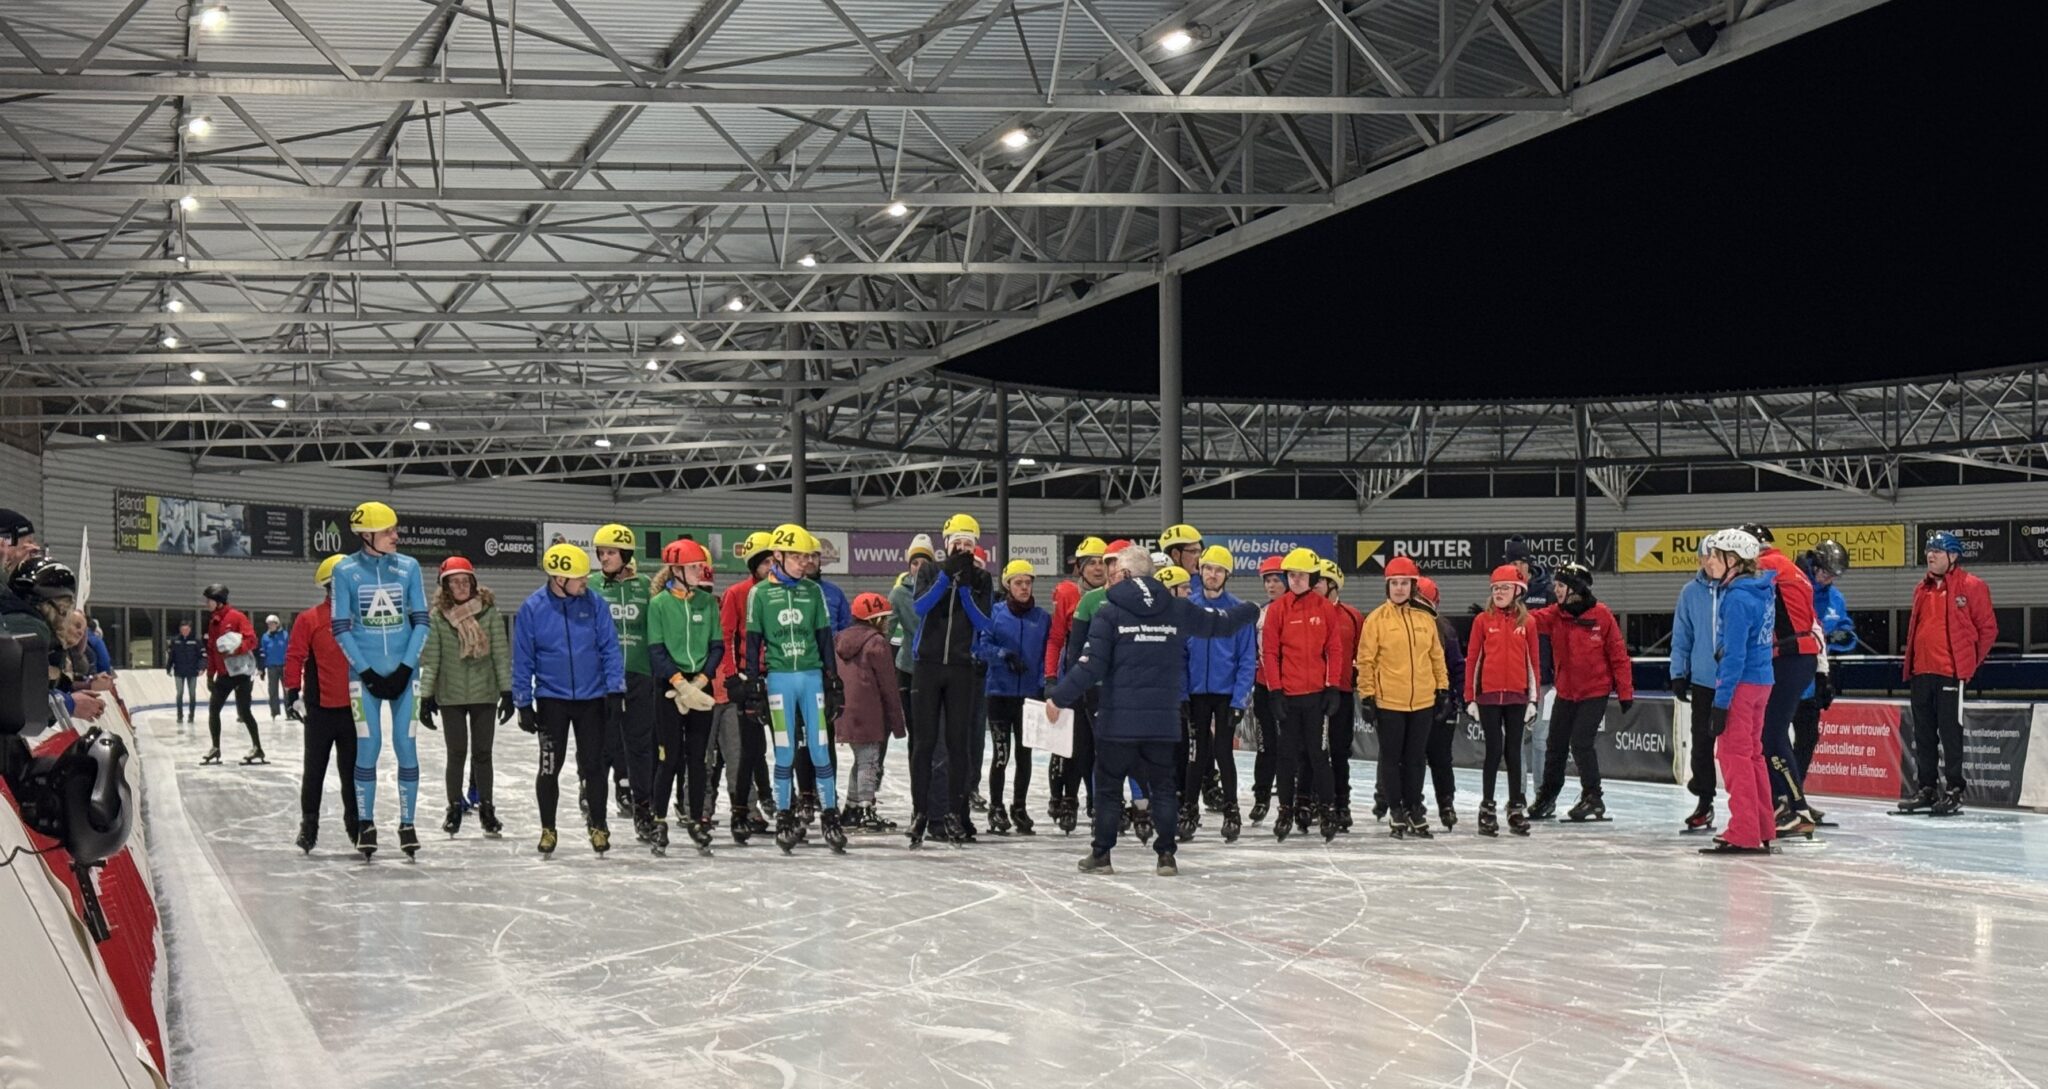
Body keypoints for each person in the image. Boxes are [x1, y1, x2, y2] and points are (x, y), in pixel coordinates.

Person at [1047, 549, 1257, 876]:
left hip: (1118, 720)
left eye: (1117, 571)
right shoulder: (1176, 608)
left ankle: (1102, 855)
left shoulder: (1110, 611)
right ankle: (1166, 857)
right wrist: (1252, 608)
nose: (1113, 576)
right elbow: (1222, 624)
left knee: (1108, 787)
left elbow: (1089, 666)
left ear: (1128, 576)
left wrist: (1058, 697)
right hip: (1162, 719)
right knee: (1163, 785)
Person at [329, 501, 431, 859]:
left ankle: (407, 823)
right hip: (364, 675)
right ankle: (366, 823)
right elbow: (340, 628)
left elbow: (422, 620)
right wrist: (367, 671)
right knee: (368, 749)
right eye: (389, 531)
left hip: (406, 674)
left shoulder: (409, 567)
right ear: (367, 535)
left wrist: (405, 668)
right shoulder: (345, 571)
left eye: (395, 529)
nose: (396, 535)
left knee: (406, 746)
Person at [513, 543, 627, 856]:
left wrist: (615, 691)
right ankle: (548, 828)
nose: (585, 582)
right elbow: (523, 658)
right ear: (559, 579)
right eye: (579, 578)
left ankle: (599, 825)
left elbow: (609, 649)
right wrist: (522, 702)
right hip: (553, 701)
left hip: (592, 699)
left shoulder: (595, 604)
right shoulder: (532, 608)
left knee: (594, 767)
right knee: (549, 768)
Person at [741, 524, 848, 854]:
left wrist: (832, 680)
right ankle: (784, 817)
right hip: (779, 680)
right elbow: (753, 642)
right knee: (785, 750)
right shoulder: (759, 593)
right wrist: (754, 684)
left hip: (811, 676)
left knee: (818, 748)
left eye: (808, 557)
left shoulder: (812, 592)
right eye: (798, 557)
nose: (805, 563)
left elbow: (823, 637)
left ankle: (830, 816)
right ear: (778, 555)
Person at [907, 513, 994, 846]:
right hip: (927, 666)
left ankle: (957, 814)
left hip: (960, 668)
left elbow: (984, 623)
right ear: (946, 545)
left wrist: (967, 587)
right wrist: (946, 578)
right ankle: (920, 812)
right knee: (925, 744)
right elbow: (920, 606)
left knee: (959, 745)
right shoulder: (930, 570)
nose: (962, 548)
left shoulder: (982, 579)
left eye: (968, 543)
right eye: (957, 542)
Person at [1897, 531, 1997, 816]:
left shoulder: (1972, 586)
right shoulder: (1921, 589)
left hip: (1951, 674)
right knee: (1924, 734)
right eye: (1929, 550)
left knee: (1950, 734)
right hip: (1921, 673)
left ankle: (1954, 789)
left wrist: (1969, 664)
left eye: (1938, 551)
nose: (1930, 555)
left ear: (1953, 556)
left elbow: (1988, 630)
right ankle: (1926, 788)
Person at [1528, 563, 1633, 822]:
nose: (1556, 590)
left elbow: (1618, 654)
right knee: (1555, 745)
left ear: (1575, 589)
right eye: (1556, 585)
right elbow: (1530, 620)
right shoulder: (1556, 614)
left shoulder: (1602, 615)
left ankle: (1593, 797)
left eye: (1561, 585)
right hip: (1565, 692)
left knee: (1581, 743)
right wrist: (1504, 613)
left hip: (1594, 691)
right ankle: (1548, 796)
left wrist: (1625, 691)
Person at [417, 556, 513, 838]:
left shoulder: (489, 613)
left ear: (473, 582)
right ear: (445, 586)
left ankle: (487, 808)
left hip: (484, 693)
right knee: (456, 754)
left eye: (465, 580)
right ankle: (454, 807)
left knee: (483, 754)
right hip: (451, 696)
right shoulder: (437, 618)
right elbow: (432, 659)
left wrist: (506, 692)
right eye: (454, 581)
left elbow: (500, 655)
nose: (461, 586)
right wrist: (426, 696)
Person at [1355, 558, 1450, 840]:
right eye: (1394, 583)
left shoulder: (1425, 619)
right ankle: (1395, 808)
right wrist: (1367, 695)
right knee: (1391, 758)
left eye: (1404, 583)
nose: (1399, 588)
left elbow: (1436, 656)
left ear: (1413, 586)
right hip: (1389, 702)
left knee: (1415, 759)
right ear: (1388, 586)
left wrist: (1442, 689)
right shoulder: (1376, 620)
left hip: (1422, 700)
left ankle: (1414, 808)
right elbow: (1366, 661)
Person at [1697, 529, 1778, 856]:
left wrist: (1720, 702)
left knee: (1733, 756)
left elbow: (1734, 656)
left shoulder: (1737, 598)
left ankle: (1744, 831)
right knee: (1752, 755)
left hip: (1742, 685)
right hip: (1761, 681)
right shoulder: (1759, 591)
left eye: (1715, 557)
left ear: (1734, 560)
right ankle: (1761, 826)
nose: (1708, 563)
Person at [645, 537, 725, 855]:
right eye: (693, 567)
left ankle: (695, 820)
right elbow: (656, 650)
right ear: (676, 569)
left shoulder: (707, 603)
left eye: (700, 566)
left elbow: (717, 646)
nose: (699, 571)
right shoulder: (659, 605)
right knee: (669, 758)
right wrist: (681, 685)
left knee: (698, 758)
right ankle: (659, 819)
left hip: (700, 687)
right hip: (669, 689)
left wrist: (701, 680)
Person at [1261, 548, 1346, 842]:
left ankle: (1327, 809)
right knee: (1286, 757)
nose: (1296, 580)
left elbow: (1334, 649)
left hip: (1316, 697)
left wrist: (1332, 686)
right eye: (1292, 575)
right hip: (1288, 696)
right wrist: (1275, 690)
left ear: (1313, 578)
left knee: (1319, 756)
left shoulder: (1324, 609)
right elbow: (1269, 652)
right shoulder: (1277, 609)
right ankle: (1285, 809)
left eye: (1301, 576)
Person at [286, 555, 361, 853]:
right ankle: (309, 825)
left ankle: (357, 824)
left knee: (353, 772)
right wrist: (292, 691)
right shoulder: (310, 619)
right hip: (319, 711)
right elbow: (295, 655)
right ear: (329, 587)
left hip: (355, 711)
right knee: (314, 770)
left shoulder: (362, 620)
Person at [1184, 545, 1256, 843]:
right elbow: (1180, 655)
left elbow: (1246, 659)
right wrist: (1182, 694)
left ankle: (1231, 811)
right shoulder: (1187, 607)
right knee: (1196, 755)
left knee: (1224, 753)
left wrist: (1239, 700)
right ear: (1200, 571)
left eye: (1218, 570)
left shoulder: (1237, 610)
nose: (1212, 575)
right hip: (1196, 694)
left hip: (1225, 695)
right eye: (1208, 568)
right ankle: (1188, 810)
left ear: (1227, 574)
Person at [591, 523, 658, 838]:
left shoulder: (645, 586)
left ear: (626, 555)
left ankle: (643, 809)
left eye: (611, 552)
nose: (604, 558)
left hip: (640, 676)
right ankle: (596, 806)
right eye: (601, 552)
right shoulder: (590, 585)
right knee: (603, 745)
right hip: (603, 680)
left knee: (640, 747)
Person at [977, 560, 1049, 836]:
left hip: (1028, 695)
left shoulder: (1041, 618)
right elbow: (980, 645)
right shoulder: (994, 614)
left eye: (1028, 583)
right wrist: (1002, 655)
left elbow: (1047, 653)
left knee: (1025, 755)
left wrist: (1043, 683)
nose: (1024, 587)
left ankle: (1019, 806)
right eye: (1018, 583)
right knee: (1001, 755)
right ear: (1008, 585)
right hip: (999, 693)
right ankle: (996, 806)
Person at [1466, 565, 1538, 836]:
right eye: (1495, 588)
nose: (1499, 592)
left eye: (1504, 588)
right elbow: (1473, 659)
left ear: (1517, 592)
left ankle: (1516, 807)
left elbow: (1533, 663)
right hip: (1488, 696)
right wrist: (1469, 697)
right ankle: (1487, 807)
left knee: (1514, 751)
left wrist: (1533, 699)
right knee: (1494, 751)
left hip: (1517, 696)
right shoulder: (1482, 621)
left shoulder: (1527, 623)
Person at [1043, 536, 1108, 824]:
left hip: (1103, 682)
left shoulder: (1114, 595)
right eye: (1090, 563)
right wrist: (1051, 678)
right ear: (1079, 569)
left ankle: (1097, 800)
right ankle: (1064, 797)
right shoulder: (1069, 595)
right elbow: (1056, 640)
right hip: (1074, 678)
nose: (1097, 568)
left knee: (1098, 745)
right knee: (1071, 745)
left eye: (1101, 563)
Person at [718, 530, 777, 842]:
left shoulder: (783, 593)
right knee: (750, 750)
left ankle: (786, 806)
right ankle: (740, 811)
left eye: (775, 561)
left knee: (786, 748)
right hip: (748, 680)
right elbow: (727, 636)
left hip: (779, 677)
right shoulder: (737, 593)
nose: (771, 566)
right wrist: (731, 677)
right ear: (754, 565)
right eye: (766, 561)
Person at [1791, 539, 1854, 820]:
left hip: (1813, 681)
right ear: (1814, 565)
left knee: (1807, 740)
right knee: (1774, 743)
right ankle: (1777, 799)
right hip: (1784, 678)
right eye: (1826, 572)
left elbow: (1843, 629)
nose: (1829, 579)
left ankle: (1795, 798)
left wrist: (1844, 637)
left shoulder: (1835, 597)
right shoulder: (1792, 586)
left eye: (1835, 575)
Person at [837, 592, 906, 832]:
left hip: (846, 711)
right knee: (869, 761)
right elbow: (888, 685)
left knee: (860, 760)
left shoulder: (840, 639)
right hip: (869, 712)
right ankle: (866, 808)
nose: (888, 623)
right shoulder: (877, 643)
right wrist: (897, 723)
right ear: (875, 619)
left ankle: (851, 807)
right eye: (885, 618)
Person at [1668, 546, 1722, 834]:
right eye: (1706, 557)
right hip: (1703, 681)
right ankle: (1705, 802)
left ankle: (1760, 804)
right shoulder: (1690, 592)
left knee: (1744, 748)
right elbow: (1682, 635)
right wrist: (1678, 672)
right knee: (1701, 744)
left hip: (1737, 682)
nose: (1710, 562)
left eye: (1715, 557)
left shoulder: (1735, 589)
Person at [1414, 576, 1465, 831]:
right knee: (1412, 758)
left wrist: (1456, 699)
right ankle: (1412, 803)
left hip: (1440, 704)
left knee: (1441, 759)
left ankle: (1446, 803)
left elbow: (1457, 667)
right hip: (1412, 703)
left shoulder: (1445, 631)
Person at [1317, 559, 1364, 833]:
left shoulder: (1352, 616)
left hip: (1342, 693)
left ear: (1332, 584)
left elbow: (1360, 653)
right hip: (1311, 692)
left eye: (1319, 581)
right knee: (1311, 750)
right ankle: (1313, 799)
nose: (1314, 586)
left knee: (1339, 751)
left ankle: (1342, 803)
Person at [201, 582, 265, 767]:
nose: (207, 603)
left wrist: (237, 650)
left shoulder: (236, 617)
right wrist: (209, 674)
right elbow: (212, 649)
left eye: (209, 600)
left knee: (244, 711)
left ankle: (257, 747)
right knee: (214, 709)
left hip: (241, 673)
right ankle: (215, 747)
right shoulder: (213, 622)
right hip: (223, 674)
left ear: (219, 601)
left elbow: (252, 639)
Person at [1247, 555, 1287, 824]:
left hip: (1291, 688)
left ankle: (1293, 799)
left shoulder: (1295, 611)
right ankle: (1262, 797)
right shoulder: (1260, 613)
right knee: (1266, 746)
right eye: (1267, 581)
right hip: (1264, 687)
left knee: (1292, 747)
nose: (1271, 586)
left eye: (1276, 580)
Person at [166, 620, 204, 723]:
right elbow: (171, 656)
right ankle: (179, 715)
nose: (185, 632)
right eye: (183, 630)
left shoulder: (196, 641)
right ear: (180, 630)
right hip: (179, 670)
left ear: (190, 629)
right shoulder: (175, 641)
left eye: (187, 630)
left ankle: (191, 715)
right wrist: (168, 668)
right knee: (179, 693)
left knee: (192, 694)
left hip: (192, 671)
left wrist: (201, 668)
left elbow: (202, 656)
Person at [259, 614, 290, 719]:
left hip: (284, 666)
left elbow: (290, 649)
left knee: (287, 690)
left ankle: (289, 712)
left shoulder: (285, 635)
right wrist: (262, 669)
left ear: (277, 624)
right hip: (272, 667)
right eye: (268, 624)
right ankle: (274, 712)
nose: (270, 626)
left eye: (272, 624)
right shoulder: (265, 637)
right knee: (273, 690)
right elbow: (263, 652)